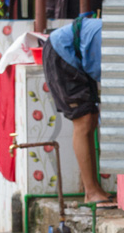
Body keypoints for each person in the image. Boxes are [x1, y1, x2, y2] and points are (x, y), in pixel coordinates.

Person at [42, 15, 114, 207]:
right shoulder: (116, 43)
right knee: (84, 120)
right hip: (61, 52)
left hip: (77, 54)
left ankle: (94, 189)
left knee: (91, 118)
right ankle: (91, 192)